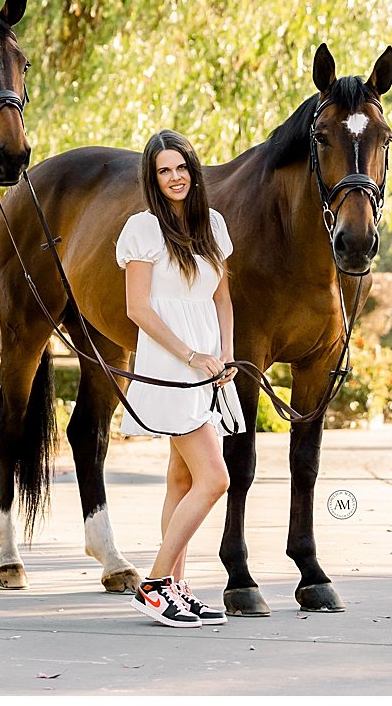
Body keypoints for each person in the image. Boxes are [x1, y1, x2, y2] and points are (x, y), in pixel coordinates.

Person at [115, 129, 245, 628]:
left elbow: (221, 299)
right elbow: (138, 309)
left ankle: (176, 590)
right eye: (163, 170)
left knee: (182, 478)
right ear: (153, 179)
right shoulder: (142, 230)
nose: (174, 177)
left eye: (181, 167)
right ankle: (153, 583)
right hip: (172, 364)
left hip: (209, 365)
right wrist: (191, 355)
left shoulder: (212, 224)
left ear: (193, 170)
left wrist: (224, 356)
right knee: (215, 478)